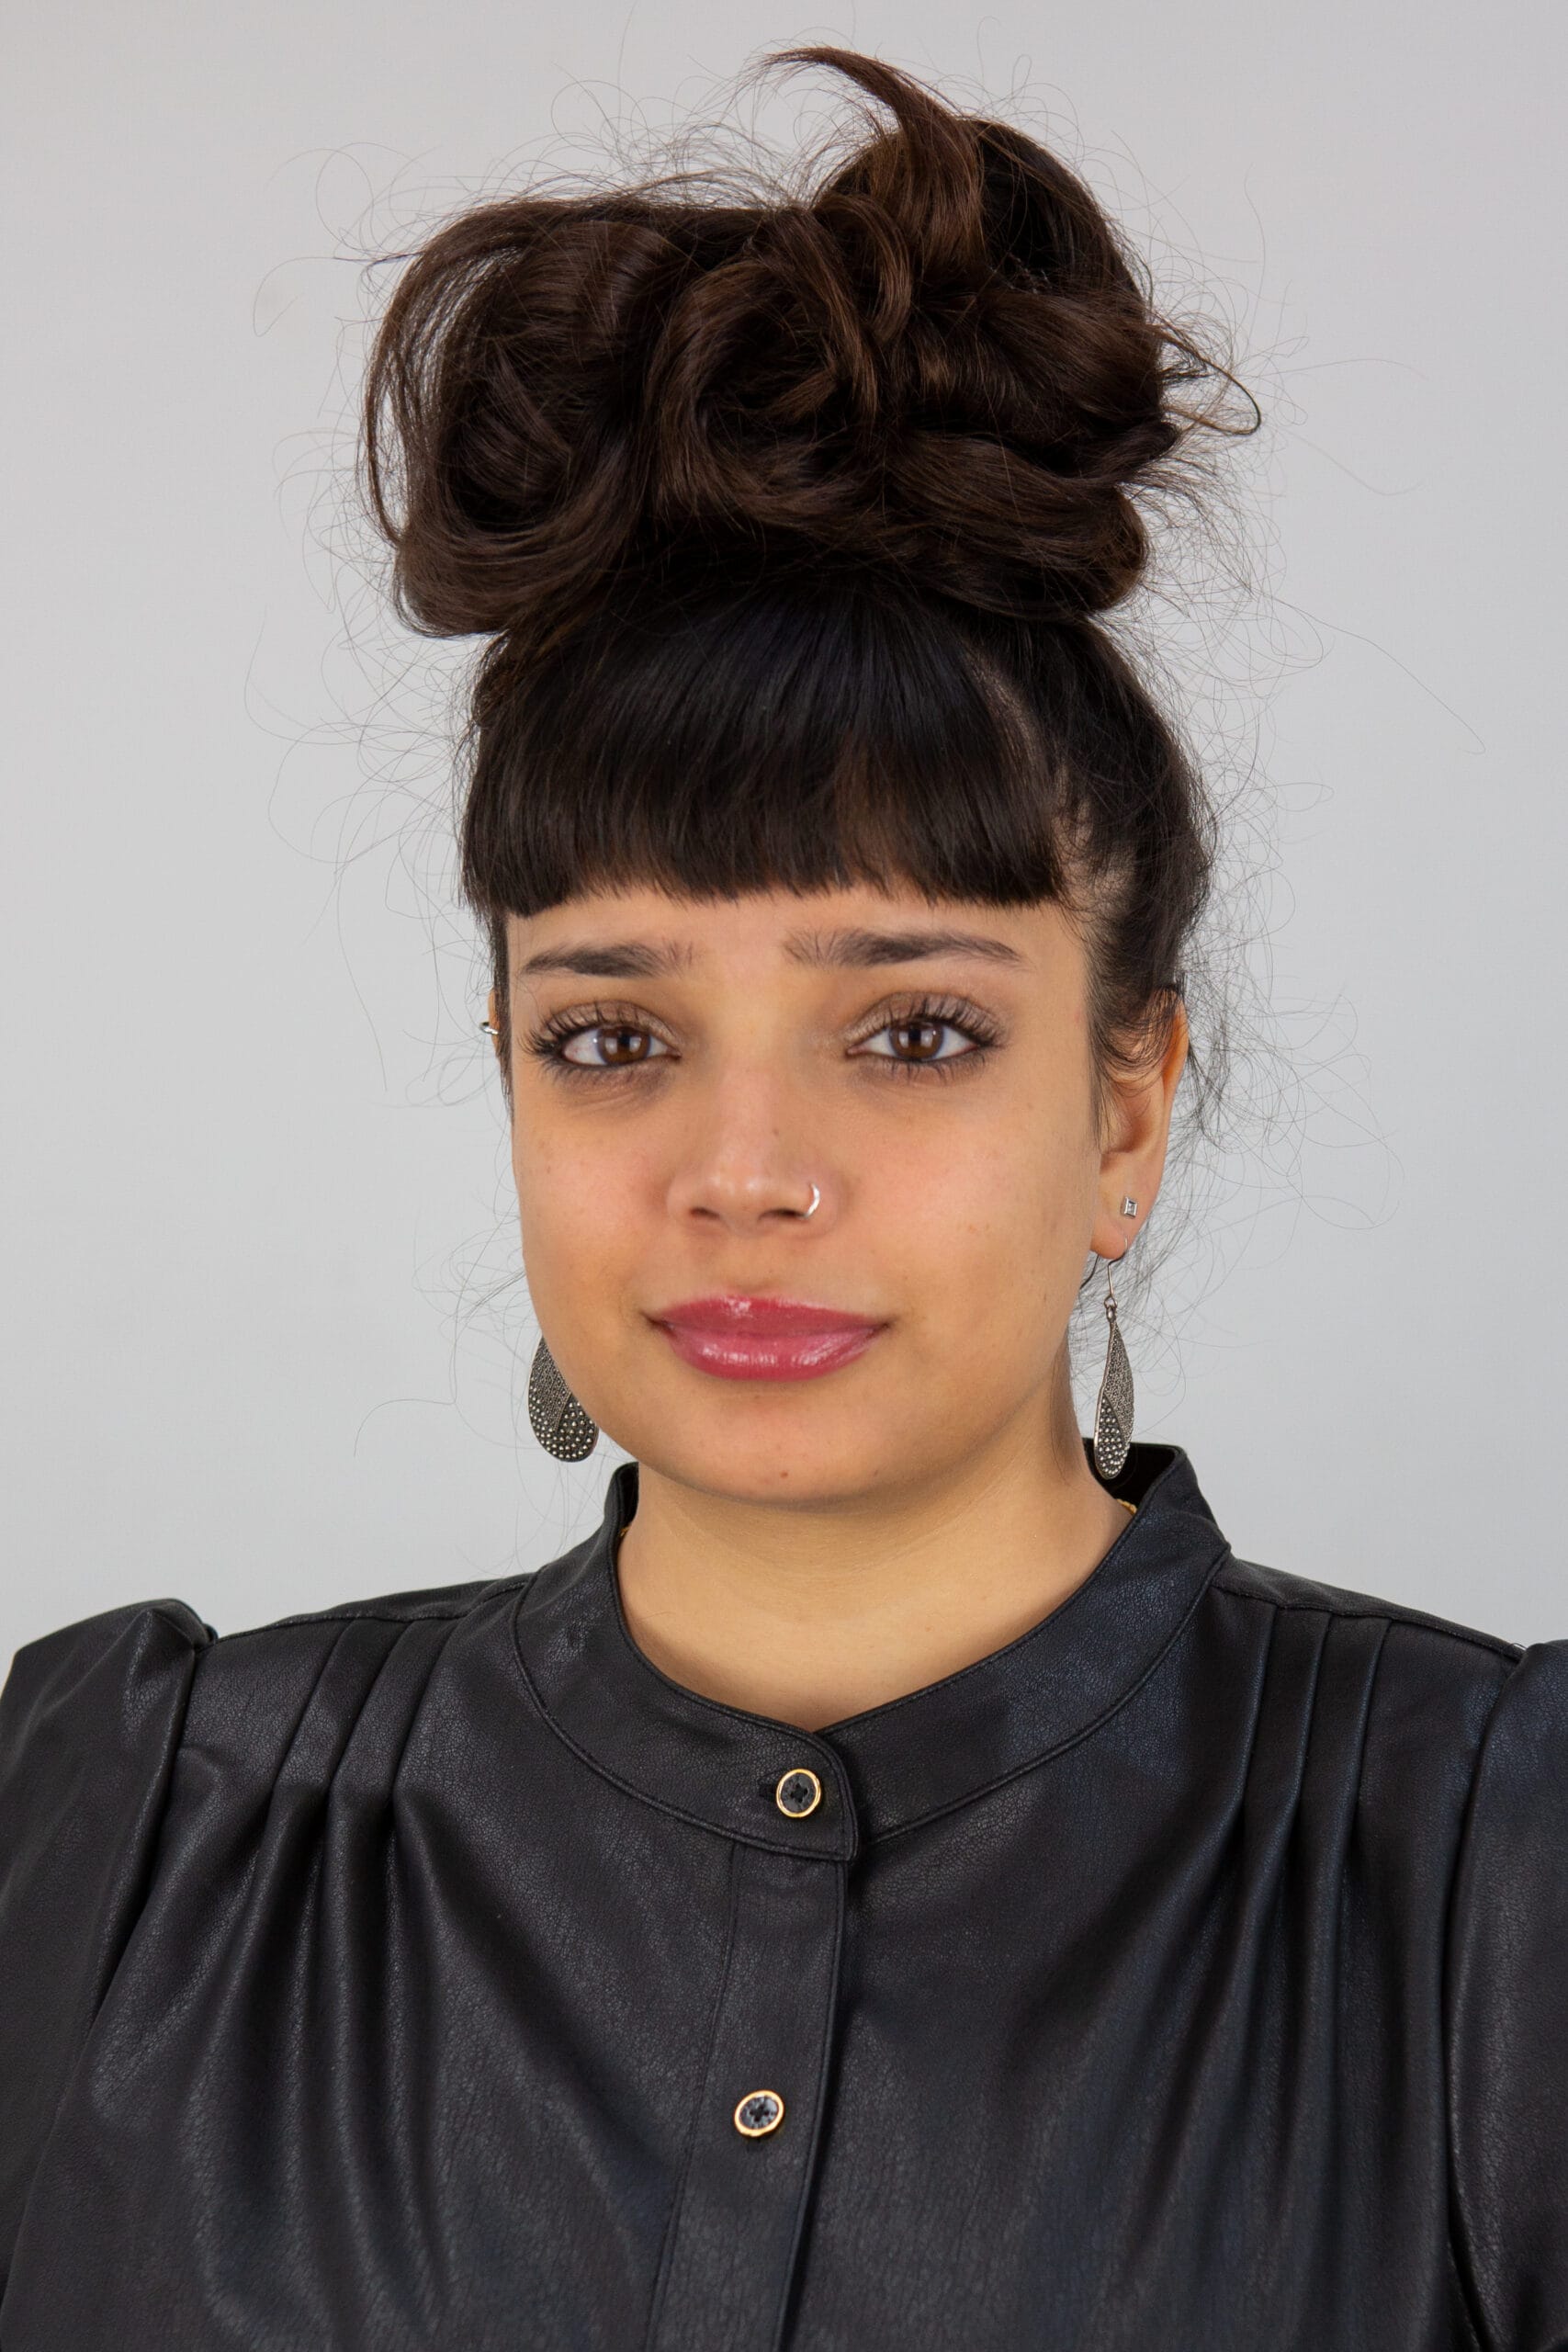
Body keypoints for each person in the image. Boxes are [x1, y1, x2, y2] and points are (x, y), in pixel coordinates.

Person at [0, 43, 1562, 2352]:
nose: (741, 1172)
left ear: (1127, 1103)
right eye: (611, 1033)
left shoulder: (1486, 1884)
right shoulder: (128, 1834)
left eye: (912, 1028)